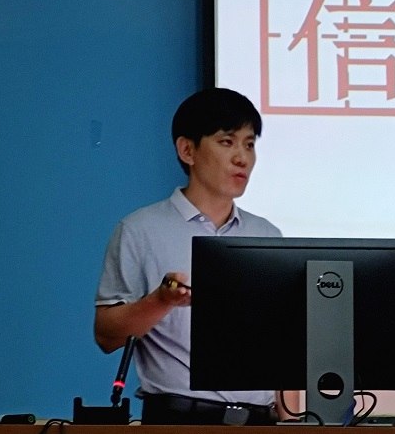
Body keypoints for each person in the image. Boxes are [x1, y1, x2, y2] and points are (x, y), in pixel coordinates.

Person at [94, 87, 297, 425]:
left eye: (249, 144)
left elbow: (282, 346)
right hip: (178, 421)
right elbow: (106, 336)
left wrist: (291, 423)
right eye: (227, 142)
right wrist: (161, 300)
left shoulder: (267, 235)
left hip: (260, 423)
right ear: (187, 150)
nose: (242, 158)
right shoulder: (140, 230)